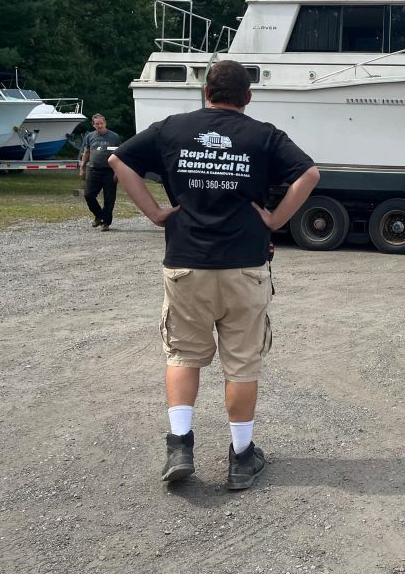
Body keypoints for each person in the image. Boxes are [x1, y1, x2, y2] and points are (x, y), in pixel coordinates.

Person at [109, 60, 320, 490]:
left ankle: (180, 446)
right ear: (248, 97)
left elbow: (118, 160)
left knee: (183, 356)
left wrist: (154, 213)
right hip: (245, 265)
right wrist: (276, 219)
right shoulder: (264, 135)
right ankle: (242, 458)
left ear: (206, 92)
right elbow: (310, 174)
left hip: (187, 262)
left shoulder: (173, 128)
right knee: (241, 363)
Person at [80, 114, 122, 231]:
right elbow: (86, 152)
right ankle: (99, 215)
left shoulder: (114, 137)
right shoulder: (89, 136)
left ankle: (106, 223)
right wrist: (82, 168)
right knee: (88, 195)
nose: (99, 125)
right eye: (97, 124)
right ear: (93, 125)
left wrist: (117, 172)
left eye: (101, 123)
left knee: (109, 198)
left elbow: (119, 155)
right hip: (93, 170)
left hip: (109, 171)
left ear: (105, 123)